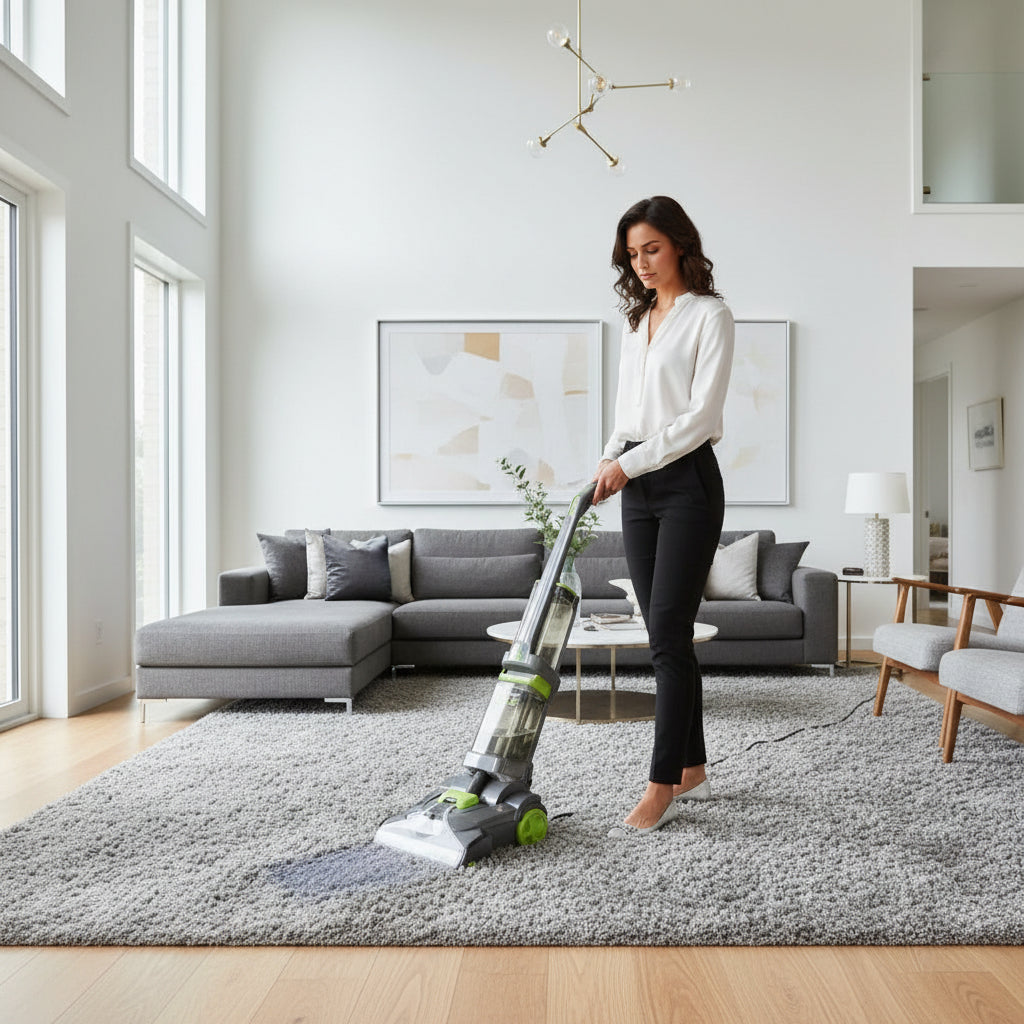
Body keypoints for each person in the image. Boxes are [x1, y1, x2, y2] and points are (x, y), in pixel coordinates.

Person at [592, 195, 734, 838]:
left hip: (685, 486)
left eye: (651, 248)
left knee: (666, 639)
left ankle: (659, 785)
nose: (642, 263)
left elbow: (700, 419)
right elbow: (628, 413)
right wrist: (607, 462)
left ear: (679, 244)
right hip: (636, 483)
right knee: (663, 631)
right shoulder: (637, 320)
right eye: (632, 253)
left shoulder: (711, 316)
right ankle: (693, 763)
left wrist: (632, 463)